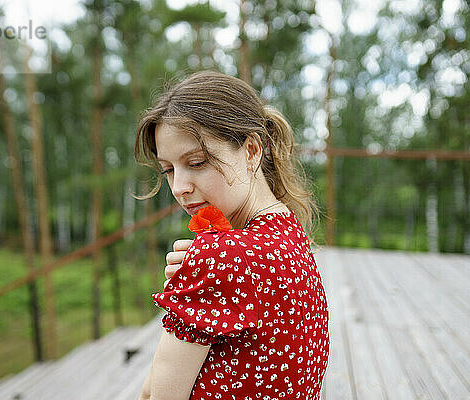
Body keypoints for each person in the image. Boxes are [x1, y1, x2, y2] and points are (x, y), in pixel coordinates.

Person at [135, 70, 329, 400]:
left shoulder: (221, 258)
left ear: (251, 150)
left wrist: (204, 265)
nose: (179, 188)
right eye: (168, 169)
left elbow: (155, 395)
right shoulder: (291, 234)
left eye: (196, 162)